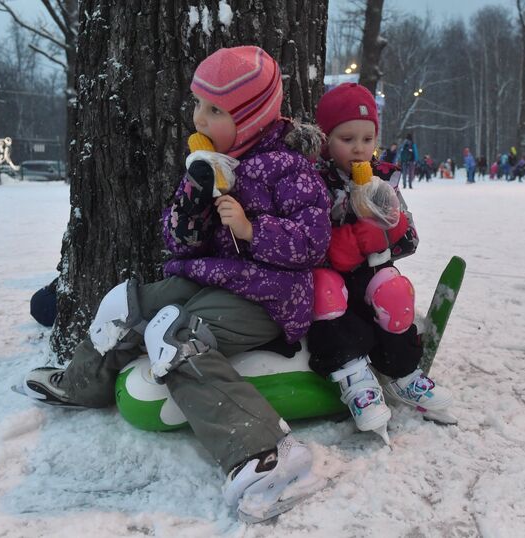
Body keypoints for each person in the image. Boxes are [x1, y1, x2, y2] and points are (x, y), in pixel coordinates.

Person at [17, 46, 332, 523]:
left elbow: (312, 243)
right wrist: (195, 193)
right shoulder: (213, 162)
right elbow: (178, 242)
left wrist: (252, 230)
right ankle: (82, 383)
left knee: (178, 338)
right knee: (127, 304)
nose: (199, 118)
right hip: (210, 277)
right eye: (198, 105)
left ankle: (268, 453)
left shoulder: (289, 168)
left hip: (269, 295)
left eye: (215, 110)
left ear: (249, 117)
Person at [308, 82, 454, 442]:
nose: (359, 148)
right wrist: (342, 241)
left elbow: (410, 238)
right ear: (326, 139)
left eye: (367, 138)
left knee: (394, 291)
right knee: (324, 293)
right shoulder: (315, 181)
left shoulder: (384, 178)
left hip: (372, 274)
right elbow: (304, 240)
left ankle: (403, 373)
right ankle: (354, 379)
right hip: (332, 281)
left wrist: (390, 231)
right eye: (347, 138)